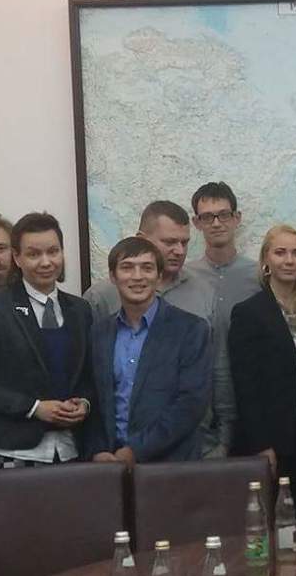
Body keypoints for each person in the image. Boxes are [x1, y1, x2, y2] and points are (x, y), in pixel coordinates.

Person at [0, 213, 93, 469]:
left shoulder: (80, 309)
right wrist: (33, 407)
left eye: (53, 251)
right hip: (9, 449)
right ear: (17, 258)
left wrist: (84, 402)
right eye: (34, 254)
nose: (46, 262)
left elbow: (88, 374)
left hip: (70, 449)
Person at [230, 224, 296, 524]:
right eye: (280, 253)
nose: (289, 260)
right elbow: (246, 386)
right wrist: (262, 444)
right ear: (266, 260)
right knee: (274, 525)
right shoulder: (249, 312)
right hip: (273, 438)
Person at [85, 235, 212, 467]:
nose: (137, 276)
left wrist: (136, 450)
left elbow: (191, 404)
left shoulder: (191, 330)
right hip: (109, 465)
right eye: (127, 268)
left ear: (159, 276)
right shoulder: (98, 334)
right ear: (113, 276)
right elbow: (93, 400)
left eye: (147, 268)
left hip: (172, 467)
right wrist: (97, 450)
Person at [182, 183, 251, 457]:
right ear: (196, 223)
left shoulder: (259, 277)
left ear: (237, 218)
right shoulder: (184, 278)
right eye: (207, 217)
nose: (216, 223)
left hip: (249, 401)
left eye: (223, 214)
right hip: (198, 409)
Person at [85, 201, 216, 322]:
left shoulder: (203, 291)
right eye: (169, 242)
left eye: (184, 243)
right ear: (142, 240)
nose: (179, 251)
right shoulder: (102, 297)